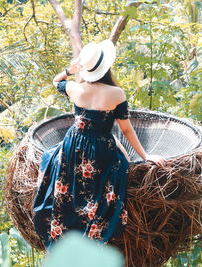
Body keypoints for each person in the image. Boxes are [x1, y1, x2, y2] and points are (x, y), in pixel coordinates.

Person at [32, 39, 166, 250]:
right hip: (100, 149)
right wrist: (146, 155)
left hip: (73, 144)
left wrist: (70, 69)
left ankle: (69, 222)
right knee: (118, 167)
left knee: (68, 179)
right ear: (106, 68)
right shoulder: (117, 94)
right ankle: (91, 222)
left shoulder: (76, 88)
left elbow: (55, 81)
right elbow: (127, 130)